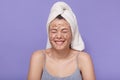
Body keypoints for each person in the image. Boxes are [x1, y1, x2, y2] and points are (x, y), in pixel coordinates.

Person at [27, 1, 96, 80]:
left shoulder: (83, 59)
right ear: (48, 33)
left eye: (64, 31)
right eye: (54, 31)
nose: (59, 36)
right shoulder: (39, 57)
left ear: (72, 33)